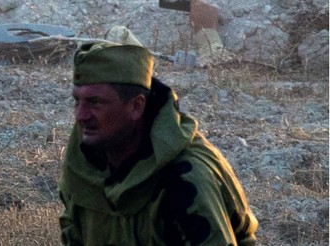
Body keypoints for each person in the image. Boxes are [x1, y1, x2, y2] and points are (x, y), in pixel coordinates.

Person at [60, 41, 258, 245]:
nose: (81, 115)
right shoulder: (85, 165)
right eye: (77, 101)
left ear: (136, 106)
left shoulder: (185, 179)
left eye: (95, 103)